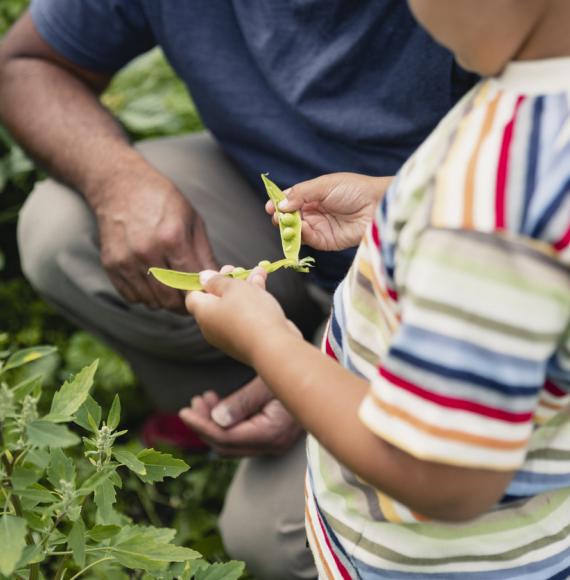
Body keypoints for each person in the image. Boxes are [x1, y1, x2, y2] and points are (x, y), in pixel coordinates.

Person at [0, 2, 477, 577]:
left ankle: (305, 406)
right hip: (356, 218)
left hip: (448, 280)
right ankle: (243, 407)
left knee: (271, 538)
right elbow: (22, 62)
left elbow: (508, 235)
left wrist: (294, 369)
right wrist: (117, 181)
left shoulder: (501, 40)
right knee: (59, 230)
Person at [184, 0, 570, 577]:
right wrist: (402, 208)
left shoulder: (488, 203)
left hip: (437, 558)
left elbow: (439, 475)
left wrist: (267, 340)